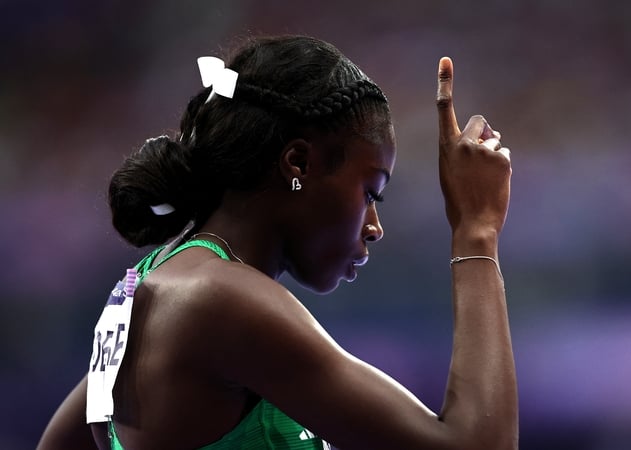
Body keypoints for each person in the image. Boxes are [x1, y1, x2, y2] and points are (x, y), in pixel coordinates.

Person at [37, 35, 517, 450]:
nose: (374, 226)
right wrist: (475, 228)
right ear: (298, 164)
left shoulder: (156, 282)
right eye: (371, 193)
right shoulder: (219, 301)